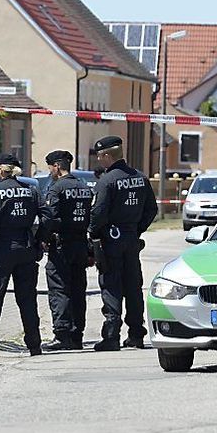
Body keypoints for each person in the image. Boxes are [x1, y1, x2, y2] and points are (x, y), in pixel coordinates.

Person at [0, 153, 44, 356]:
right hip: (26, 248)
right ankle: (34, 344)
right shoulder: (31, 190)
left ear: (1, 170)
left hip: (2, 249)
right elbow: (47, 217)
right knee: (28, 299)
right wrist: (39, 241)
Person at [89, 136, 158, 351]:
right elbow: (152, 210)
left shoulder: (107, 181)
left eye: (100, 156)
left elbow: (98, 214)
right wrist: (137, 229)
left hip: (111, 240)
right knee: (133, 287)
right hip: (131, 239)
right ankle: (136, 334)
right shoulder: (140, 177)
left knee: (111, 286)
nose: (99, 160)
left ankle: (111, 336)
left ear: (108, 155)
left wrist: (93, 234)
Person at [39, 150, 91, 351]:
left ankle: (62, 335)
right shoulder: (83, 187)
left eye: (51, 167)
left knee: (59, 289)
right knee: (78, 291)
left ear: (57, 166)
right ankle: (77, 335)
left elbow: (49, 218)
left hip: (61, 246)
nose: (50, 171)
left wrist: (43, 239)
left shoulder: (57, 188)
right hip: (80, 245)